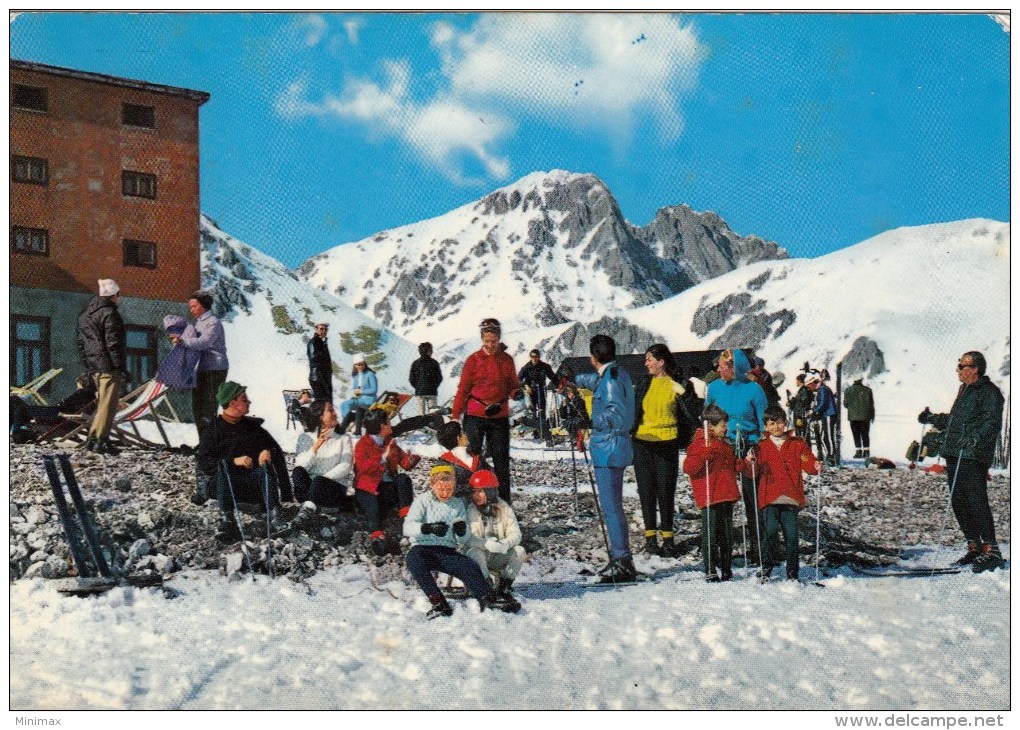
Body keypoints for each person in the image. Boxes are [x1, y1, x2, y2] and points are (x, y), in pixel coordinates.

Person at [919, 351, 1005, 572]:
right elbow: (956, 421)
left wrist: (975, 437)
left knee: (976, 500)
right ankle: (974, 546)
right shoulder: (965, 390)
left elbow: (992, 422)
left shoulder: (989, 392)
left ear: (975, 369)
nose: (958, 369)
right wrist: (932, 418)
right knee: (959, 500)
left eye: (962, 366)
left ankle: (991, 550)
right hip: (956, 452)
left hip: (973, 455)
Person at [403, 465, 518, 619]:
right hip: (424, 549)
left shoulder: (457, 504)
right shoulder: (422, 502)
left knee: (469, 566)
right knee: (413, 558)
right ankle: (439, 603)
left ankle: (488, 599)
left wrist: (461, 531)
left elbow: (463, 540)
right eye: (441, 489)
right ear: (432, 485)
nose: (445, 493)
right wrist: (427, 528)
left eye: (449, 489)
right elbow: (408, 527)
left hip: (447, 551)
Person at [573, 334, 637, 583]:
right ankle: (621, 557)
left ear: (593, 356)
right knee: (613, 506)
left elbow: (616, 415)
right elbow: (595, 381)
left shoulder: (609, 381)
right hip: (614, 446)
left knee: (611, 507)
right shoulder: (617, 374)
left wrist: (589, 421)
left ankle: (621, 560)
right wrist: (573, 379)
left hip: (608, 447)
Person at [196, 381, 294, 543]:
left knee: (265, 468)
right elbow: (205, 463)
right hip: (223, 485)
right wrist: (233, 461)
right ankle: (228, 521)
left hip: (252, 485)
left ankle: (275, 517)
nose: (248, 402)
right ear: (232, 402)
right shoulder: (213, 429)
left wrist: (268, 452)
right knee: (225, 467)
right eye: (244, 399)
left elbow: (276, 452)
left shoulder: (253, 427)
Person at [704, 349, 769, 562]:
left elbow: (764, 424)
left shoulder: (754, 390)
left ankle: (760, 548)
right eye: (720, 365)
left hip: (748, 446)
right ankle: (721, 551)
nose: (720, 369)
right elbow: (707, 419)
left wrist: (758, 446)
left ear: (737, 368)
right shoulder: (713, 388)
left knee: (752, 498)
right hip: (722, 448)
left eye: (726, 366)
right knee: (722, 498)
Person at [743, 405, 820, 581]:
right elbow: (752, 473)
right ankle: (766, 567)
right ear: (765, 427)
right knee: (769, 532)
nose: (776, 427)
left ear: (785, 423)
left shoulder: (797, 444)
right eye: (771, 424)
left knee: (792, 536)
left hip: (790, 497)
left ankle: (793, 572)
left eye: (779, 423)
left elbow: (809, 463)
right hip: (769, 497)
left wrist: (815, 466)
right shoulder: (760, 447)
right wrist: (749, 462)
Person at [451, 318, 521, 505]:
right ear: (481, 339)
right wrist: (455, 417)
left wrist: (516, 393)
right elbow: (463, 389)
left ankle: (504, 505)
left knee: (501, 462)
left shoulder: (507, 360)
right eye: (487, 341)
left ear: (499, 339)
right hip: (474, 416)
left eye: (494, 341)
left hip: (499, 417)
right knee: (472, 460)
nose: (490, 345)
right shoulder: (473, 360)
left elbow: (513, 385)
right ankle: (469, 502)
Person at [631, 343, 688, 558]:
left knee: (665, 491)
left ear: (661, 361)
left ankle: (668, 538)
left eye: (649, 359)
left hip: (667, 442)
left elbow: (690, 410)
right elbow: (635, 408)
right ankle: (650, 537)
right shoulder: (644, 383)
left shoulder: (676, 385)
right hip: (642, 442)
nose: (646, 363)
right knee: (646, 490)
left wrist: (684, 391)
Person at [683, 404, 742, 581]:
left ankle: (726, 567)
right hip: (710, 495)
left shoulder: (725, 445)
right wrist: (703, 456)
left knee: (726, 534)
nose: (726, 429)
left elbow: (731, 465)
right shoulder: (699, 445)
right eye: (723, 426)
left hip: (727, 493)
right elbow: (689, 468)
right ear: (711, 427)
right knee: (710, 533)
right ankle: (710, 567)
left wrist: (740, 465)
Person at [353, 409, 420, 556]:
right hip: (370, 489)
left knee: (403, 479)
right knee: (373, 507)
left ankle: (407, 518)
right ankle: (377, 536)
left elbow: (404, 462)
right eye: (388, 422)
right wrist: (383, 458)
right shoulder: (362, 445)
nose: (391, 424)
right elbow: (363, 469)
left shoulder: (389, 441)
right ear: (381, 426)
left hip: (387, 489)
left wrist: (411, 459)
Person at [75, 278, 127, 455]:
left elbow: (81, 344)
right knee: (108, 405)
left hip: (94, 366)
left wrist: (89, 366)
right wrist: (120, 367)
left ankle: (92, 438)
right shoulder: (110, 314)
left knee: (102, 404)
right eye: (118, 295)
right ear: (115, 295)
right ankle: (101, 441)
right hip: (109, 366)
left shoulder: (85, 315)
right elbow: (113, 343)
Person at [462, 469, 525, 610]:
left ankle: (504, 586)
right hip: (480, 556)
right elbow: (467, 539)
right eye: (474, 492)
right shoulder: (469, 510)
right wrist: (486, 544)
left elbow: (516, 534)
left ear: (490, 492)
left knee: (520, 551)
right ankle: (486, 586)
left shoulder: (504, 508)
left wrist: (505, 543)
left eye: (480, 491)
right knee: (473, 552)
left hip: (499, 554)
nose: (476, 496)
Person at [171, 291, 228, 437]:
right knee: (198, 405)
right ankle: (203, 441)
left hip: (215, 369)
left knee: (208, 407)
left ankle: (209, 444)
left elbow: (204, 342)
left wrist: (184, 341)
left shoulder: (213, 322)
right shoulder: (200, 322)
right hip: (203, 368)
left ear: (203, 306)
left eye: (194, 306)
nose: (191, 310)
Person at [292, 401, 356, 526]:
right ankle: (312, 507)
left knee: (319, 481)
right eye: (330, 410)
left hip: (332, 486)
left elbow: (346, 466)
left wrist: (322, 480)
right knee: (298, 472)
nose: (335, 414)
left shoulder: (344, 438)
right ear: (320, 416)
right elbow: (301, 466)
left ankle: (307, 511)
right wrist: (316, 446)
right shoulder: (305, 437)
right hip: (311, 488)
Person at [436, 420, 488, 497]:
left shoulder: (477, 457)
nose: (466, 435)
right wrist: (473, 488)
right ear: (459, 438)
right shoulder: (444, 463)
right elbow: (445, 488)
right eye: (463, 433)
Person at [517, 349, 558, 441]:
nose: (534, 358)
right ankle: (535, 432)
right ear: (530, 357)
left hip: (541, 390)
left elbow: (553, 377)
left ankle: (542, 433)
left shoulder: (544, 367)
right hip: (531, 392)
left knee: (541, 411)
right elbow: (518, 379)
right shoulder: (526, 367)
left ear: (539, 357)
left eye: (536, 356)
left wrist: (559, 385)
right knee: (533, 412)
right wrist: (526, 386)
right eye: (532, 356)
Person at [338, 353, 378, 435]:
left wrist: (361, 392)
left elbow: (374, 389)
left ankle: (348, 423)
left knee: (348, 403)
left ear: (364, 364)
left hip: (368, 400)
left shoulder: (370, 374)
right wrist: (356, 393)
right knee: (343, 404)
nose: (360, 366)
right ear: (355, 365)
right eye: (358, 365)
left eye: (362, 364)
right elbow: (355, 388)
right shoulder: (356, 376)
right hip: (359, 399)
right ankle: (350, 420)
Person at [805, 372, 838, 465]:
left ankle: (831, 456)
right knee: (825, 436)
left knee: (828, 436)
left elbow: (823, 403)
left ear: (812, 384)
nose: (809, 389)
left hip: (828, 414)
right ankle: (829, 455)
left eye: (808, 386)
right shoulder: (821, 389)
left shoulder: (822, 389)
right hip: (826, 415)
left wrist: (814, 411)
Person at [408, 342, 443, 417]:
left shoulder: (415, 363)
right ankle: (433, 426)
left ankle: (421, 426)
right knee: (433, 413)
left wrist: (418, 386)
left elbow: (411, 379)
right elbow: (439, 378)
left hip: (420, 392)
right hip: (432, 391)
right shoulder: (434, 363)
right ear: (429, 351)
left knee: (421, 414)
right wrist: (434, 386)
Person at [307, 322, 333, 404]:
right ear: (316, 329)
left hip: (324, 377)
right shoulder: (314, 342)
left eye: (326, 329)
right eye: (321, 329)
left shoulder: (322, 342)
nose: (324, 331)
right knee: (323, 404)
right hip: (318, 377)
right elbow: (314, 359)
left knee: (327, 403)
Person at [786, 374, 813, 445]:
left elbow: (803, 404)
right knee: (800, 435)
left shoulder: (803, 390)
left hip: (800, 416)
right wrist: (790, 403)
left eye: (797, 381)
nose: (796, 383)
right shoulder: (801, 390)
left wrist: (800, 416)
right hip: (798, 415)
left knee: (803, 435)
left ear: (799, 381)